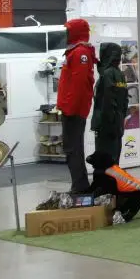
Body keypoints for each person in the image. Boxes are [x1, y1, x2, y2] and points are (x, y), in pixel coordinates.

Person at [56, 18, 96, 193]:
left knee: (73, 148)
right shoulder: (76, 52)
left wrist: (70, 109)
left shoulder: (80, 53)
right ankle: (79, 185)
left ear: (76, 32)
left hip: (73, 110)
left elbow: (79, 84)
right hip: (71, 108)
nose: (66, 34)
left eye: (68, 30)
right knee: (72, 148)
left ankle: (80, 186)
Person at [90, 42, 129, 166]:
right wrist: (119, 120)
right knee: (114, 159)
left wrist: (108, 123)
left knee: (105, 160)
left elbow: (107, 100)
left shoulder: (106, 75)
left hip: (106, 125)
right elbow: (124, 100)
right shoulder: (120, 74)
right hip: (117, 123)